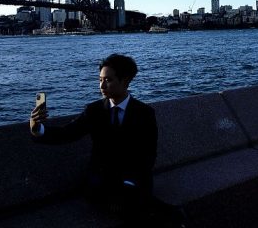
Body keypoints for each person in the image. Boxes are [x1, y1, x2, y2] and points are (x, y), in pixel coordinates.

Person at [30, 54, 178, 226]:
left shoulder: (144, 113)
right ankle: (170, 215)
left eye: (108, 80)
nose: (102, 86)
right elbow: (68, 133)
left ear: (125, 81)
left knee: (130, 201)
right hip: (102, 181)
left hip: (134, 180)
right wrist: (37, 129)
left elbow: (148, 155)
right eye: (100, 79)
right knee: (131, 205)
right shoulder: (94, 111)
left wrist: (130, 182)